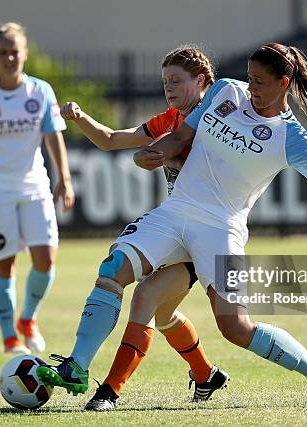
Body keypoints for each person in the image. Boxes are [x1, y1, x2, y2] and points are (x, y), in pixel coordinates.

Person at [38, 42, 307, 408]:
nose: (251, 86)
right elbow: (181, 136)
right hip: (177, 210)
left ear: (284, 82)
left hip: (221, 229)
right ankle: (78, 366)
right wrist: (157, 153)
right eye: (250, 77)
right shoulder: (226, 91)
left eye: (260, 81)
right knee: (114, 268)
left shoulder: (289, 135)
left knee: (236, 328)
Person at [54, 46, 229, 410]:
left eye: (175, 80)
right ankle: (205, 375)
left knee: (146, 298)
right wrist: (80, 116)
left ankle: (108, 391)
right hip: (174, 229)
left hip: (206, 233)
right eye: (165, 81)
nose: (168, 87)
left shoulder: (219, 120)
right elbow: (112, 139)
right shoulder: (166, 120)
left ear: (202, 82)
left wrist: (169, 155)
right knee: (163, 313)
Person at [0, 23, 75, 354]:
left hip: (35, 185)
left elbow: (53, 135)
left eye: (15, 51)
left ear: (25, 54)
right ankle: (9, 335)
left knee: (46, 259)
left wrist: (64, 177)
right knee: (4, 263)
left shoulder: (40, 91)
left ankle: (28, 318)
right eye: (3, 51)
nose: (9, 57)